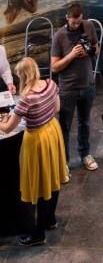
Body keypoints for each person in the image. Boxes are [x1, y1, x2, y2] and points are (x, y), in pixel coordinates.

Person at [0, 57, 67, 247]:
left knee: (40, 184)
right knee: (53, 176)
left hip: (36, 139)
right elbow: (57, 108)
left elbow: (7, 128)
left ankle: (38, 233)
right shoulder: (50, 83)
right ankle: (51, 219)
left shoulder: (26, 99)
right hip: (52, 132)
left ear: (22, 75)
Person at [51, 3, 100, 178]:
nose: (76, 26)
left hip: (87, 85)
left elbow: (96, 47)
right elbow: (55, 67)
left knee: (85, 123)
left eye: (78, 22)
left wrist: (89, 52)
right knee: (64, 127)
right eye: (73, 23)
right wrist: (71, 55)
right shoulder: (59, 36)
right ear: (67, 17)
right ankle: (63, 161)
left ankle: (85, 154)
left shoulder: (88, 25)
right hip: (67, 89)